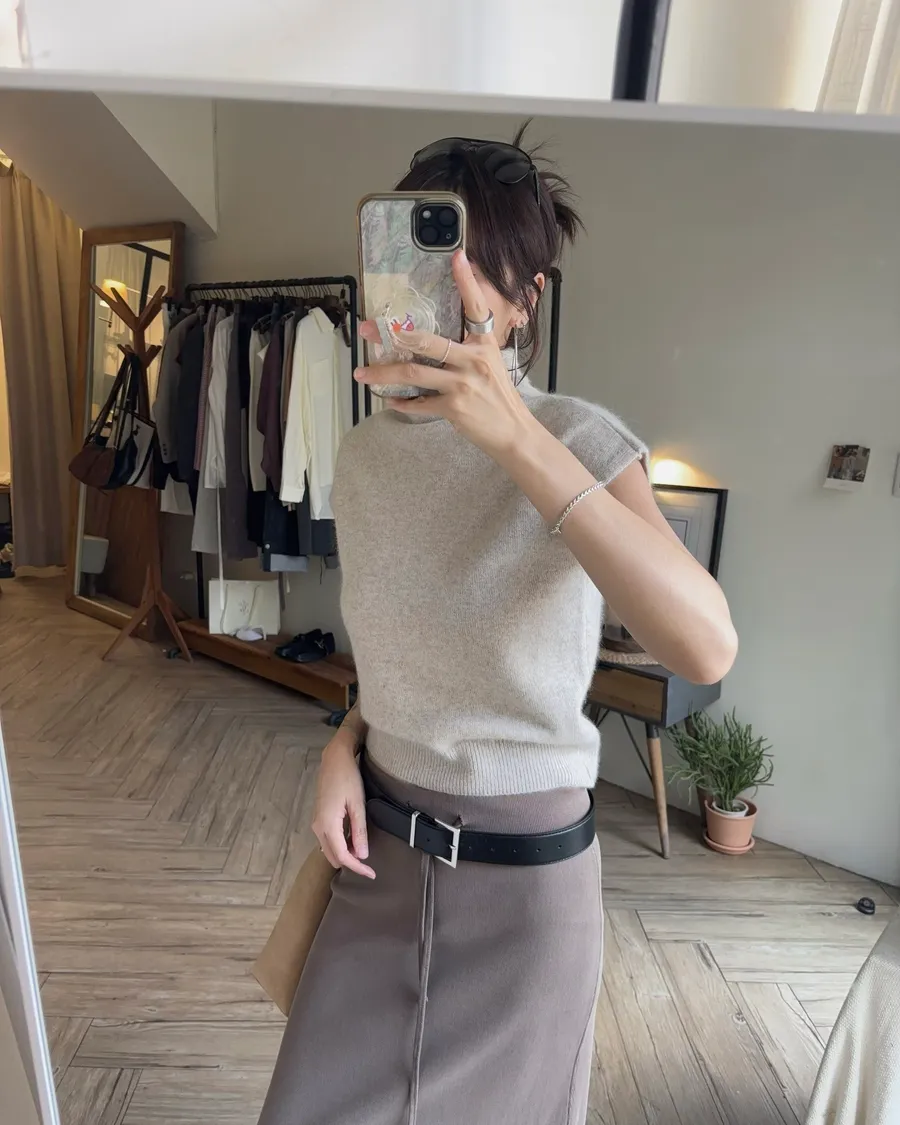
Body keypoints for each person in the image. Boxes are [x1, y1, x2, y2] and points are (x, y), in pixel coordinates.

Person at [257, 127, 737, 1125]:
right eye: (425, 258)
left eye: (479, 267)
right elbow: (407, 649)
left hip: (525, 897)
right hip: (376, 861)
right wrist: (345, 741)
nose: (450, 289)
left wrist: (518, 439)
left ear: (529, 299)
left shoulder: (581, 441)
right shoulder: (364, 455)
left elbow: (706, 646)